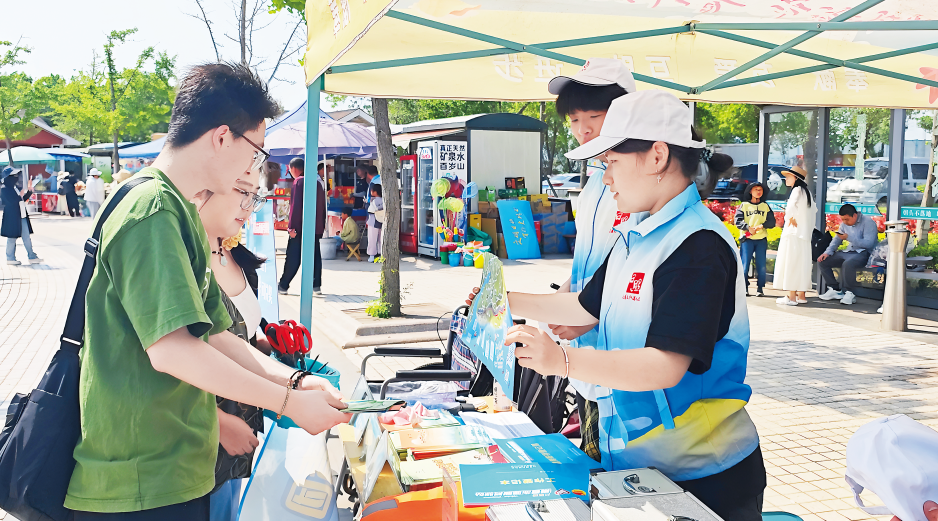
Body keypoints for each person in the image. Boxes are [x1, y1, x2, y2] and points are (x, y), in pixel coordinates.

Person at [66, 62, 351, 520]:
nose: (254, 168)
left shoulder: (175, 211)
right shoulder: (153, 210)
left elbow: (218, 336)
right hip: (141, 481)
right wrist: (289, 403)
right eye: (255, 152)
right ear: (222, 138)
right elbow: (173, 351)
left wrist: (295, 382)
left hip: (171, 471)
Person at [481, 91, 765, 521]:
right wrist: (499, 300)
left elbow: (664, 366)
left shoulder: (698, 246)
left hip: (704, 475)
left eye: (611, 161)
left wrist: (562, 361)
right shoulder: (637, 233)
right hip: (639, 469)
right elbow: (584, 308)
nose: (606, 177)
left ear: (657, 157)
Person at [545, 57, 636, 462]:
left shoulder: (640, 185)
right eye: (574, 119)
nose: (582, 128)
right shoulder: (596, 182)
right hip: (584, 356)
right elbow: (588, 261)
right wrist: (561, 300)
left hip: (624, 359)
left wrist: (592, 312)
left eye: (593, 116)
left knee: (617, 471)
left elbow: (636, 266)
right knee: (592, 458)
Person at [193, 176, 271, 521]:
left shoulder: (233, 253)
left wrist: (267, 343)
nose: (249, 206)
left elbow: (238, 337)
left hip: (240, 427)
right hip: (197, 437)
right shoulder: (181, 262)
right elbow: (163, 354)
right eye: (241, 191)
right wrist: (218, 422)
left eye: (255, 196)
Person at [278, 160, 326, 295]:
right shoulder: (317, 182)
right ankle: (316, 286)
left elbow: (296, 207)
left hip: (300, 227)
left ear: (293, 169)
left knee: (293, 256)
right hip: (315, 227)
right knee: (315, 256)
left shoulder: (299, 182)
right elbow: (322, 207)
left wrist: (292, 227)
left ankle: (283, 285)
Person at [817, 203, 879, 305]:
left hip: (865, 253)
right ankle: (835, 290)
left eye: (847, 219)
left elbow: (869, 244)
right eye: (843, 220)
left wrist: (848, 238)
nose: (845, 222)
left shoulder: (868, 222)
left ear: (854, 215)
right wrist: (827, 252)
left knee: (848, 263)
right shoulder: (844, 224)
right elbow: (836, 240)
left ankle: (849, 293)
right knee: (823, 261)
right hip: (850, 251)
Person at [773, 166, 816, 306]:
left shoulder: (796, 190)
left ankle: (791, 297)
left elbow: (791, 207)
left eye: (788, 177)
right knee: (802, 264)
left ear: (795, 178)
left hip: (793, 233)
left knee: (791, 262)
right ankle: (801, 296)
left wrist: (790, 217)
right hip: (804, 235)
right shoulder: (807, 192)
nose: (786, 179)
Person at [733, 182, 776, 297]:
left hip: (761, 240)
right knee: (745, 265)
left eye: (760, 189)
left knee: (761, 265)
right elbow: (738, 221)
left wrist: (762, 225)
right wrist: (748, 228)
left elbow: (772, 222)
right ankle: (745, 288)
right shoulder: (744, 205)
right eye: (756, 189)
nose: (758, 191)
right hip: (747, 240)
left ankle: (760, 288)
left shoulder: (765, 206)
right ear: (750, 191)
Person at [1, 167, 41, 265]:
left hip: (21, 214)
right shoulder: (4, 189)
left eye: (16, 175)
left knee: (26, 236)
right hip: (12, 216)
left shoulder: (14, 188)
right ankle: (10, 257)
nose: (16, 178)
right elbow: (12, 202)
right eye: (13, 176)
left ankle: (32, 256)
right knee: (12, 237)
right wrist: (21, 196)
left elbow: (21, 200)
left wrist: (29, 192)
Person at [366, 184, 383, 262]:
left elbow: (370, 210)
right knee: (381, 239)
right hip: (382, 221)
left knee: (372, 239)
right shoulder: (385, 200)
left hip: (373, 222)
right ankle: (381, 254)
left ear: (375, 192)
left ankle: (372, 256)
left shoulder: (374, 201)